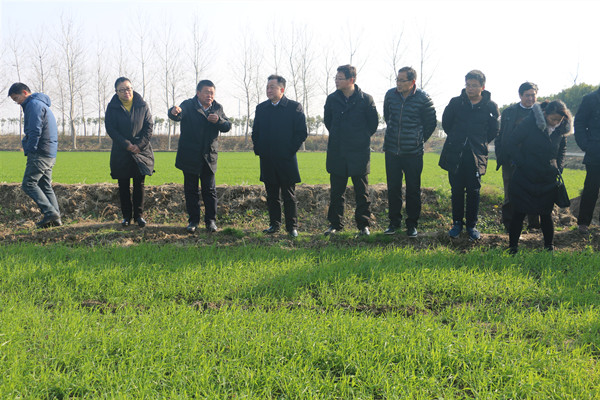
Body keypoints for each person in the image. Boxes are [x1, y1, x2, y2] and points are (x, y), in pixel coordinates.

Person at [439, 70, 500, 240]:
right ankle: (457, 223)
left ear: (482, 87)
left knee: (474, 191)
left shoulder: (490, 106)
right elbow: (447, 124)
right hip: (455, 152)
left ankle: (471, 226)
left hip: (476, 154)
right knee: (457, 190)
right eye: (468, 85)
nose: (470, 88)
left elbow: (494, 130)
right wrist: (457, 138)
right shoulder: (456, 103)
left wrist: (480, 142)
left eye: (474, 85)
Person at [507, 100, 572, 253]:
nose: (556, 123)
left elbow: (562, 149)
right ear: (545, 114)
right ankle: (513, 247)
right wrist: (522, 163)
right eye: (553, 119)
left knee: (546, 213)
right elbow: (511, 143)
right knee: (519, 212)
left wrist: (558, 167)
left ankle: (549, 247)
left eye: (559, 120)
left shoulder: (561, 129)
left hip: (547, 177)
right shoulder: (530, 123)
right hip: (525, 176)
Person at [323, 64, 379, 236]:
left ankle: (363, 225)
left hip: (359, 152)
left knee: (362, 192)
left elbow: (373, 124)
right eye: (336, 78)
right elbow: (328, 122)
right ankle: (335, 225)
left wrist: (359, 138)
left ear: (351, 80)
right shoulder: (332, 99)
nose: (336, 81)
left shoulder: (366, 99)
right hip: (337, 152)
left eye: (340, 78)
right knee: (337, 192)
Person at [169, 80, 231, 233]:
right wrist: (173, 111)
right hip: (190, 155)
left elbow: (227, 126)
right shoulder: (188, 105)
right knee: (191, 190)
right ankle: (193, 221)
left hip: (208, 156)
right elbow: (177, 114)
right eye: (206, 92)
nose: (209, 95)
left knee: (209, 190)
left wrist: (219, 121)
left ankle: (211, 221)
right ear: (198, 93)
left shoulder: (217, 108)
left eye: (212, 93)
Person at [383, 66, 437, 237]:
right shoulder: (390, 95)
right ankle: (394, 222)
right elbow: (387, 117)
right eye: (397, 80)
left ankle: (412, 224)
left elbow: (431, 123)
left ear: (412, 81)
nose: (398, 83)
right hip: (392, 150)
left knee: (413, 189)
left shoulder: (423, 98)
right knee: (393, 188)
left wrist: (417, 139)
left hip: (413, 152)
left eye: (402, 80)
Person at [252, 75, 308, 238]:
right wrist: (260, 149)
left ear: (282, 89)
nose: (268, 90)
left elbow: (301, 133)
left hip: (286, 159)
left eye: (272, 87)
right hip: (267, 159)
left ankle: (292, 227)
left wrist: (289, 151)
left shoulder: (294, 107)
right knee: (271, 195)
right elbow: (256, 132)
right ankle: (274, 225)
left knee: (289, 195)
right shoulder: (261, 108)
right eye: (267, 87)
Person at [8, 82, 61, 228]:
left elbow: (35, 130)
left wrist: (30, 149)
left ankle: (50, 213)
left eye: (16, 98)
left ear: (25, 92)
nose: (17, 102)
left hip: (40, 151)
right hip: (49, 151)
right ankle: (56, 218)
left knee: (28, 184)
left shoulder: (33, 105)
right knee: (44, 185)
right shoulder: (40, 104)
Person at [105, 77, 154, 228]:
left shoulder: (142, 105)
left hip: (141, 151)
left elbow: (149, 126)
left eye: (128, 88)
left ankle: (139, 216)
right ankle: (126, 217)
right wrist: (126, 144)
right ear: (116, 92)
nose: (126, 92)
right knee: (123, 184)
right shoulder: (112, 107)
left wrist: (139, 145)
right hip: (121, 151)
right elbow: (111, 129)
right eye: (122, 90)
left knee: (139, 184)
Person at [495, 82, 540, 232]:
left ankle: (534, 225)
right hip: (510, 159)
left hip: (533, 160)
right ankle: (510, 225)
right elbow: (501, 135)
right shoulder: (509, 112)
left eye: (533, 95)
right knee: (510, 192)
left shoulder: (541, 112)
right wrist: (500, 154)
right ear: (520, 95)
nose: (530, 98)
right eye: (527, 95)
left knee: (533, 191)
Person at [574, 87, 600, 234]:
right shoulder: (590, 99)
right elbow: (579, 123)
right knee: (591, 188)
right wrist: (586, 145)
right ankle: (583, 223)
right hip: (595, 152)